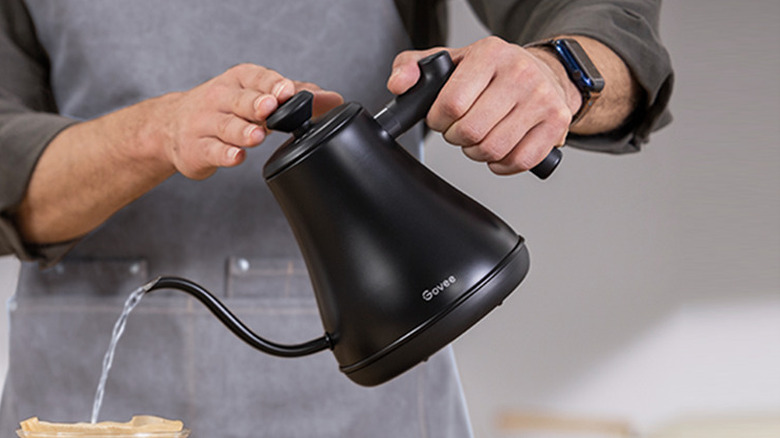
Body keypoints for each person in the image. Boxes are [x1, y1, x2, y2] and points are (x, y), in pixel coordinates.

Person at [0, 0, 672, 436]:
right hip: (84, 393)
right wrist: (155, 132)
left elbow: (607, 27)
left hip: (366, 397)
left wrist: (559, 73)